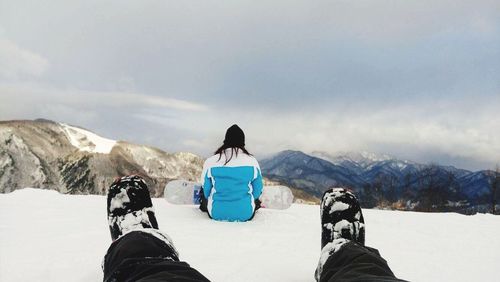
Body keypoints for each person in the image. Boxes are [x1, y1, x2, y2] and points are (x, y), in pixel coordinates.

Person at [103, 175, 407, 281]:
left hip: (214, 205)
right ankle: (343, 251)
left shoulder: (212, 160)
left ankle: (139, 241)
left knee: (151, 273)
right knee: (366, 274)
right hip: (248, 208)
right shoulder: (249, 162)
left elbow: (207, 186)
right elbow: (257, 186)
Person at [198, 124, 263, 222]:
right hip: (245, 214)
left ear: (226, 141)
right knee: (254, 198)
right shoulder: (252, 162)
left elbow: (206, 191)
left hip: (216, 213)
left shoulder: (211, 161)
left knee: (204, 192)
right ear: (243, 142)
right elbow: (257, 190)